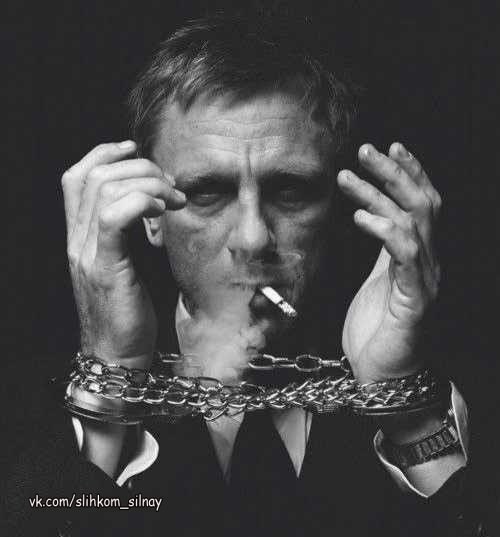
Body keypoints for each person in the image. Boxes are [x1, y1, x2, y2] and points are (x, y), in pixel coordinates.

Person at [1, 12, 473, 537]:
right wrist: (110, 380)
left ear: (338, 209)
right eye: (207, 192)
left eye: (290, 190)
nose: (252, 239)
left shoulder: (462, 376)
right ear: (151, 215)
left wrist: (405, 408)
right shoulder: (22, 405)